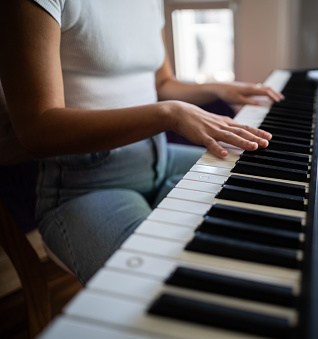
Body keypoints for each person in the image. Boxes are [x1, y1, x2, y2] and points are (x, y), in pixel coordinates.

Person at [0, 0, 283, 285]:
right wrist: (170, 114)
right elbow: (36, 129)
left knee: (263, 184)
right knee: (160, 283)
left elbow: (162, 84)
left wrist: (218, 88)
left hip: (161, 156)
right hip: (86, 184)